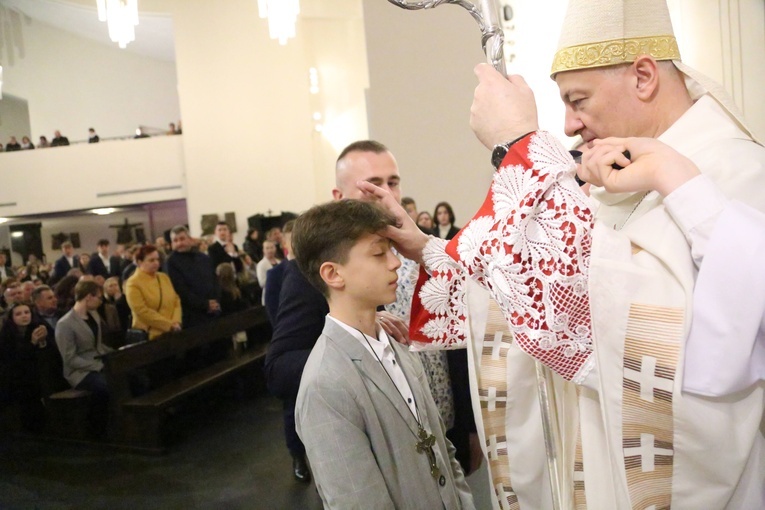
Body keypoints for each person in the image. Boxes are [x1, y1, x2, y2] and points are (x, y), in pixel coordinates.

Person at [360, 0, 765, 507]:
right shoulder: (629, 170)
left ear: (643, 76)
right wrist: (430, 251)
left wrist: (519, 145)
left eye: (578, 99)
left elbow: (636, 328)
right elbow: (552, 292)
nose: (569, 125)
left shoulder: (737, 174)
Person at [265, 140, 460, 484]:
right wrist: (350, 338)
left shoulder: (419, 244)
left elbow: (452, 339)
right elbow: (279, 367)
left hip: (436, 426)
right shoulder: (312, 270)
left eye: (392, 182)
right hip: (375, 447)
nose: (386, 194)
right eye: (371, 186)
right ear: (339, 197)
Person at [293, 200, 475, 510]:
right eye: (379, 253)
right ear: (333, 274)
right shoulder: (325, 385)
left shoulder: (396, 340)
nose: (395, 263)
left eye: (391, 251)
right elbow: (358, 500)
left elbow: (442, 452)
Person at [0, 302, 61, 432]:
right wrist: (32, 343)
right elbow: (13, 361)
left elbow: (50, 353)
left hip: (38, 374)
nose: (24, 316)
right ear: (12, 318)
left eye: (27, 312)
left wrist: (43, 341)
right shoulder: (6, 335)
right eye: (19, 314)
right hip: (16, 379)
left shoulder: (38, 327)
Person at [165, 225, 220, 329]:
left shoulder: (203, 257)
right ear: (171, 244)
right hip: (191, 315)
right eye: (175, 240)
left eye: (182, 239)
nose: (179, 243)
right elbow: (180, 290)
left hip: (213, 309)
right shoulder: (171, 262)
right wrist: (204, 304)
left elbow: (214, 280)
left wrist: (215, 301)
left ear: (190, 239)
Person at [124, 245, 181, 340]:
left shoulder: (163, 277)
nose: (156, 263)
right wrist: (168, 324)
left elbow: (176, 300)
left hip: (172, 332)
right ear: (139, 262)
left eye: (157, 259)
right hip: (150, 336)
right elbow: (142, 311)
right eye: (151, 260)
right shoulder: (133, 283)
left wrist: (176, 321)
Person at [263, 220, 294, 324]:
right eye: (293, 239)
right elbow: (274, 311)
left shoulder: (314, 267)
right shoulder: (275, 274)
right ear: (284, 243)